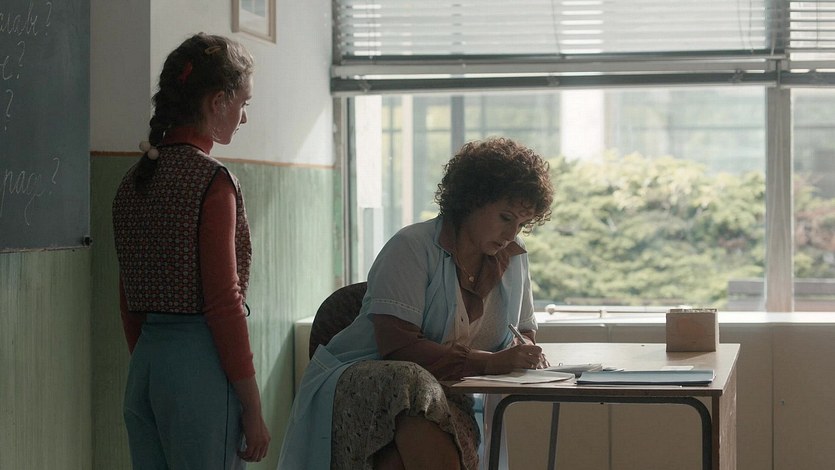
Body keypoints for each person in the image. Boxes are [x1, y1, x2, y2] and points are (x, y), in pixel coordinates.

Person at [278, 137, 554, 470]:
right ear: (472, 200)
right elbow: (399, 348)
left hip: (446, 396)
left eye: (522, 224)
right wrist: (489, 363)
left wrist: (524, 351)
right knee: (412, 380)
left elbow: (523, 332)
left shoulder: (514, 256)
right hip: (364, 387)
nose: (512, 233)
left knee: (397, 459)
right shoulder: (411, 246)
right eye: (505, 217)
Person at [112, 33, 270, 468]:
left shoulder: (133, 181)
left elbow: (128, 300)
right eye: (243, 103)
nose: (243, 117)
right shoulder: (211, 182)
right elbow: (224, 303)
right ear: (218, 102)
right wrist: (253, 406)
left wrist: (153, 365)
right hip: (199, 370)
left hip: (145, 370)